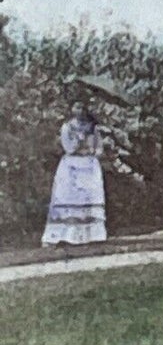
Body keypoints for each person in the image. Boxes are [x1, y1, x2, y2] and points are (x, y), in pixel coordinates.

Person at [41, 103, 107, 246]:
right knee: (68, 198)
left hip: (89, 166)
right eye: (76, 107)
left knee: (87, 200)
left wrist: (93, 152)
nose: (80, 111)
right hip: (71, 166)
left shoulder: (93, 127)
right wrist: (78, 140)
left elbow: (99, 147)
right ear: (71, 109)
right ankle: (62, 236)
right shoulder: (67, 127)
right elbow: (68, 147)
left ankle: (90, 236)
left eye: (82, 108)